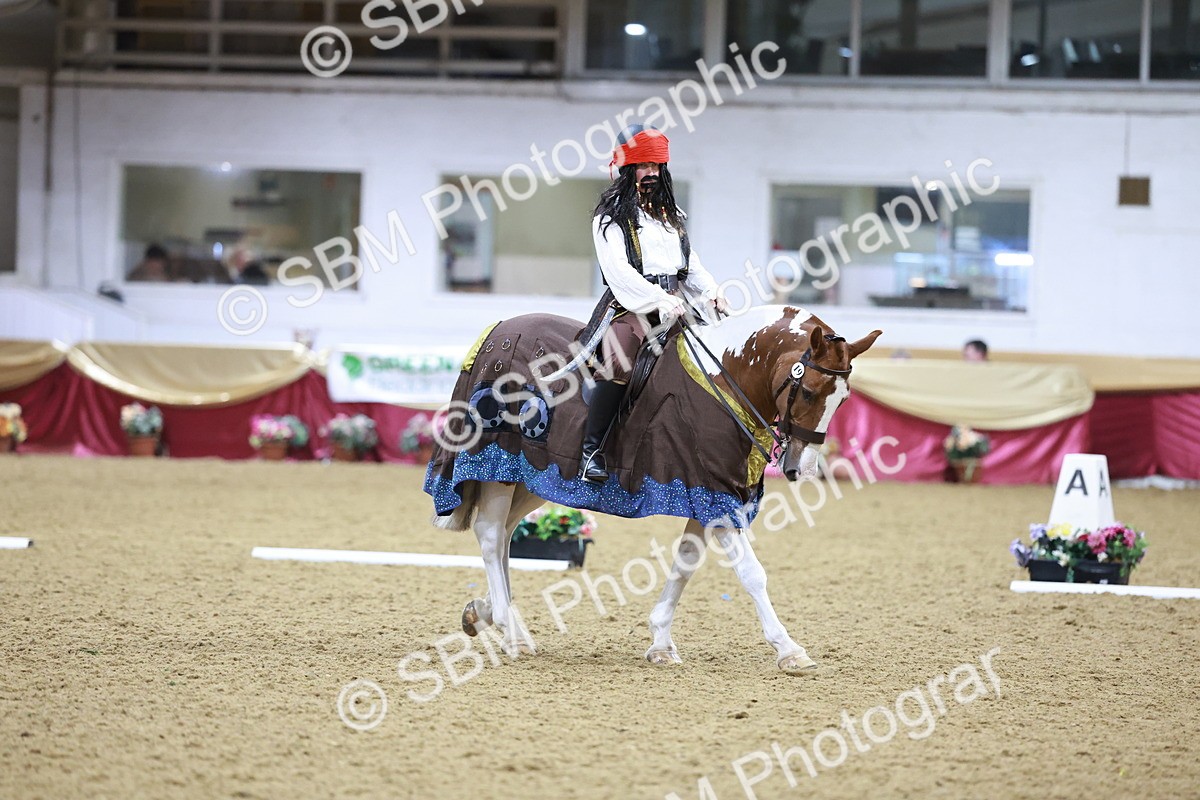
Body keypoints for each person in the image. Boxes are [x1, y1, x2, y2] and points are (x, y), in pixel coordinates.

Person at [578, 124, 728, 484]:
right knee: (621, 359)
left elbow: (690, 266)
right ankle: (591, 451)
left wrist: (712, 291)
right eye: (645, 166)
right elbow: (620, 273)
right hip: (632, 307)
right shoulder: (610, 218)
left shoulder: (670, 216)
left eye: (657, 166)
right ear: (628, 168)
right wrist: (658, 299)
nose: (653, 174)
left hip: (675, 304)